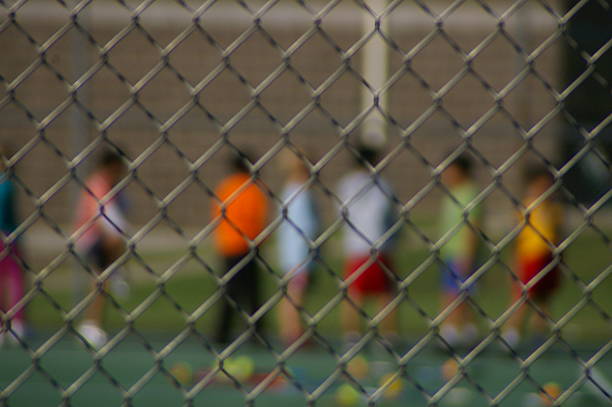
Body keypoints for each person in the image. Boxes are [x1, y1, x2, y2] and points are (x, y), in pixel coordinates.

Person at [337, 144, 398, 343]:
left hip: (356, 247)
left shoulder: (346, 184)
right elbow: (388, 212)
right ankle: (387, 335)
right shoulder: (382, 184)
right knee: (385, 294)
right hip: (380, 244)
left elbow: (340, 213)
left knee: (354, 294)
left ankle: (351, 335)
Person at [503, 165, 563, 346]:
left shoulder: (554, 208)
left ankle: (539, 333)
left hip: (549, 257)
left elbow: (559, 234)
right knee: (523, 297)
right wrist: (515, 262)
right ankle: (512, 333)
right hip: (531, 257)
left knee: (544, 298)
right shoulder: (527, 207)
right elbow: (518, 238)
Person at [212, 151, 268, 344]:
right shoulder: (252, 188)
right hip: (248, 245)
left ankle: (221, 333)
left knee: (229, 293)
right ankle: (256, 332)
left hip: (228, 246)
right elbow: (258, 218)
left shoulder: (225, 187)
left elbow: (217, 215)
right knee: (252, 293)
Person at [74, 150, 128, 348]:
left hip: (103, 239)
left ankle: (93, 323)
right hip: (93, 239)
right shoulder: (98, 185)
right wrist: (115, 237)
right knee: (100, 281)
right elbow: (103, 216)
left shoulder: (111, 186)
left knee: (101, 281)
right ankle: (90, 323)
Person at [438, 153, 484, 347]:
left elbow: (473, 226)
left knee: (457, 293)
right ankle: (459, 329)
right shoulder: (452, 193)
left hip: (462, 253)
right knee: (452, 290)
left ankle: (454, 331)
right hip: (449, 251)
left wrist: (468, 253)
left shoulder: (469, 193)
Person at [276, 149, 319, 345]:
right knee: (296, 293)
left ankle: (291, 330)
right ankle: (293, 332)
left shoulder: (290, 190)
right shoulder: (300, 191)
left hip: (292, 252)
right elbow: (306, 225)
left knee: (293, 292)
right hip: (299, 254)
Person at [0, 145, 26, 346]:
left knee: (9, 279)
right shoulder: (7, 186)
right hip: (7, 237)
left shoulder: (7, 184)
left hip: (8, 236)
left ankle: (11, 322)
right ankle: (15, 321)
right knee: (13, 278)